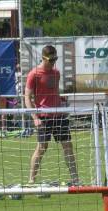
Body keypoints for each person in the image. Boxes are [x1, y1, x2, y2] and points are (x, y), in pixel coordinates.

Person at [25, 45, 80, 188]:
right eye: (51, 60)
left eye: (55, 59)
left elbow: (54, 92)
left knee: (68, 146)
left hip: (59, 116)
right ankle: (31, 180)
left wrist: (61, 103)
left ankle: (76, 180)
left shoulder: (56, 73)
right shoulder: (33, 74)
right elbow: (27, 97)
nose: (53, 62)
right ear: (43, 58)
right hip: (43, 117)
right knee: (42, 148)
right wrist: (35, 118)